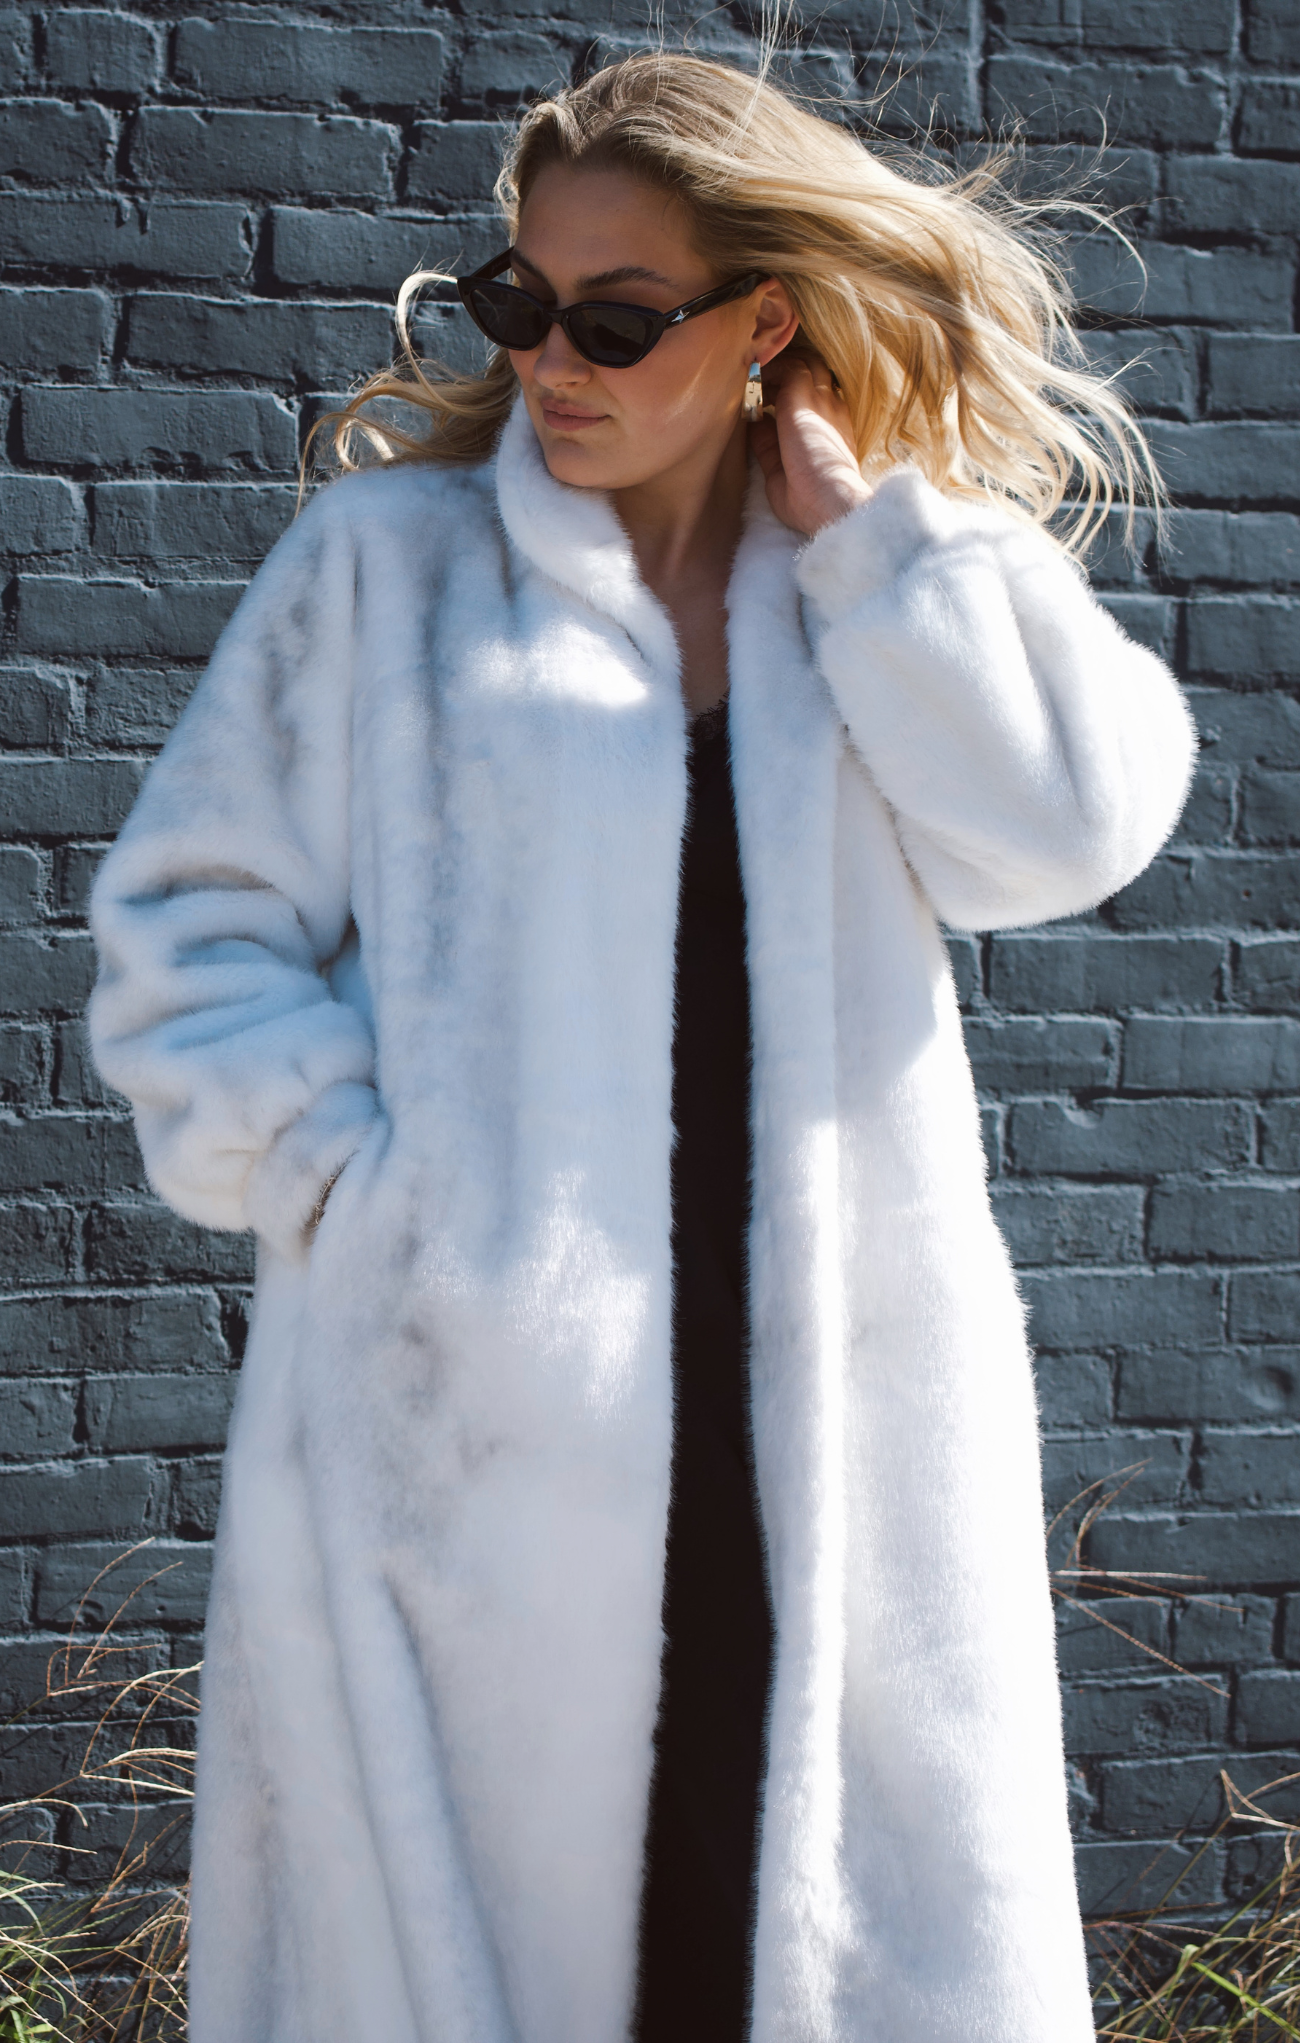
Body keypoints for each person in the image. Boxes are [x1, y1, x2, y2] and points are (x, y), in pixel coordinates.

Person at [89, 50, 1195, 2043]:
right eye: (517, 305)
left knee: (785, 1931)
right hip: (466, 1446)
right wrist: (371, 1193)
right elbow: (191, 930)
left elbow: (1060, 831)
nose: (550, 361)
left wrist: (874, 552)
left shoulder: (868, 582)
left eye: (614, 320)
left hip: (825, 1430)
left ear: (763, 318)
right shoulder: (385, 581)